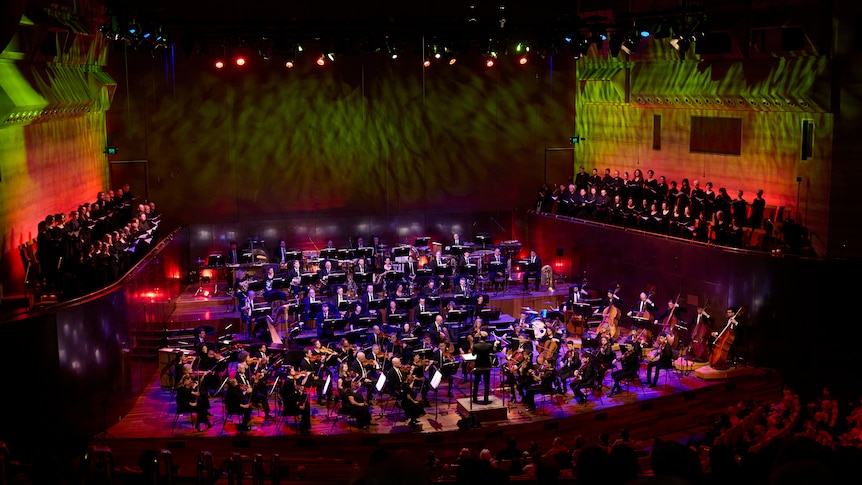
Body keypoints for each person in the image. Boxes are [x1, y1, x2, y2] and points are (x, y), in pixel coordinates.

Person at [278, 365, 311, 435]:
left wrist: (299, 390)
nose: (295, 372)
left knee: (305, 400)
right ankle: (304, 428)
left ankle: (305, 426)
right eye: (292, 371)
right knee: (306, 410)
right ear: (289, 373)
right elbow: (290, 397)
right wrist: (298, 405)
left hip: (292, 402)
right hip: (290, 407)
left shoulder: (291, 380)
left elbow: (293, 392)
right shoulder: (289, 382)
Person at [471, 331, 495, 404]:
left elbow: (473, 354)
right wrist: (495, 345)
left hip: (478, 365)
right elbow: (493, 351)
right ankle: (486, 399)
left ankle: (475, 398)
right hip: (487, 365)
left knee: (476, 382)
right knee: (486, 383)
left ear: (480, 337)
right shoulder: (489, 345)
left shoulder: (476, 346)